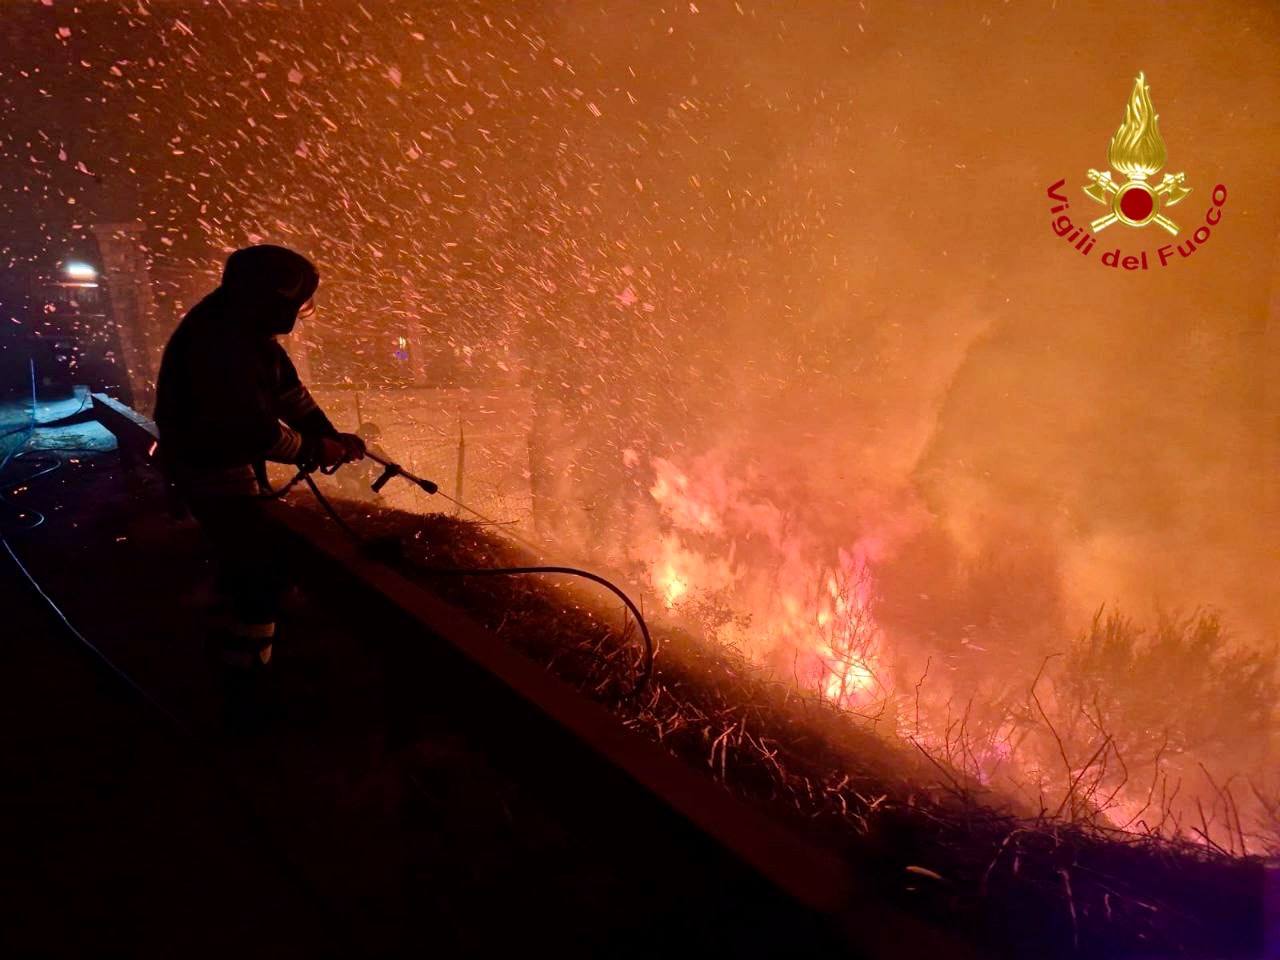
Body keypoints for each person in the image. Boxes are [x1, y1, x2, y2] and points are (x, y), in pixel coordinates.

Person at [154, 244, 364, 711]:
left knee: (248, 560)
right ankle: (244, 686)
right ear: (275, 301)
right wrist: (314, 449)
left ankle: (237, 641)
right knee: (257, 571)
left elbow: (289, 391)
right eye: (296, 304)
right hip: (209, 469)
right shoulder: (219, 345)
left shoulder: (240, 327)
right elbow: (254, 432)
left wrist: (328, 433)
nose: (298, 315)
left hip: (222, 461)